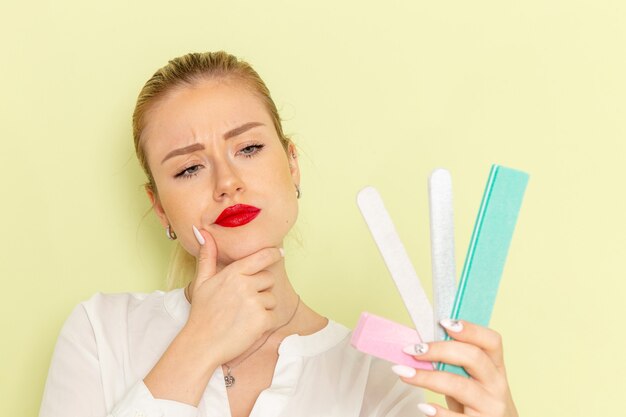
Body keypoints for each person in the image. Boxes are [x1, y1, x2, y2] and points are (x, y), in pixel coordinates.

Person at [39, 51, 518, 417]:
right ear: (159, 207)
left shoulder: (380, 378)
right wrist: (199, 343)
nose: (227, 182)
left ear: (292, 164)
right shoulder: (99, 333)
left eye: (248, 147)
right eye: (188, 168)